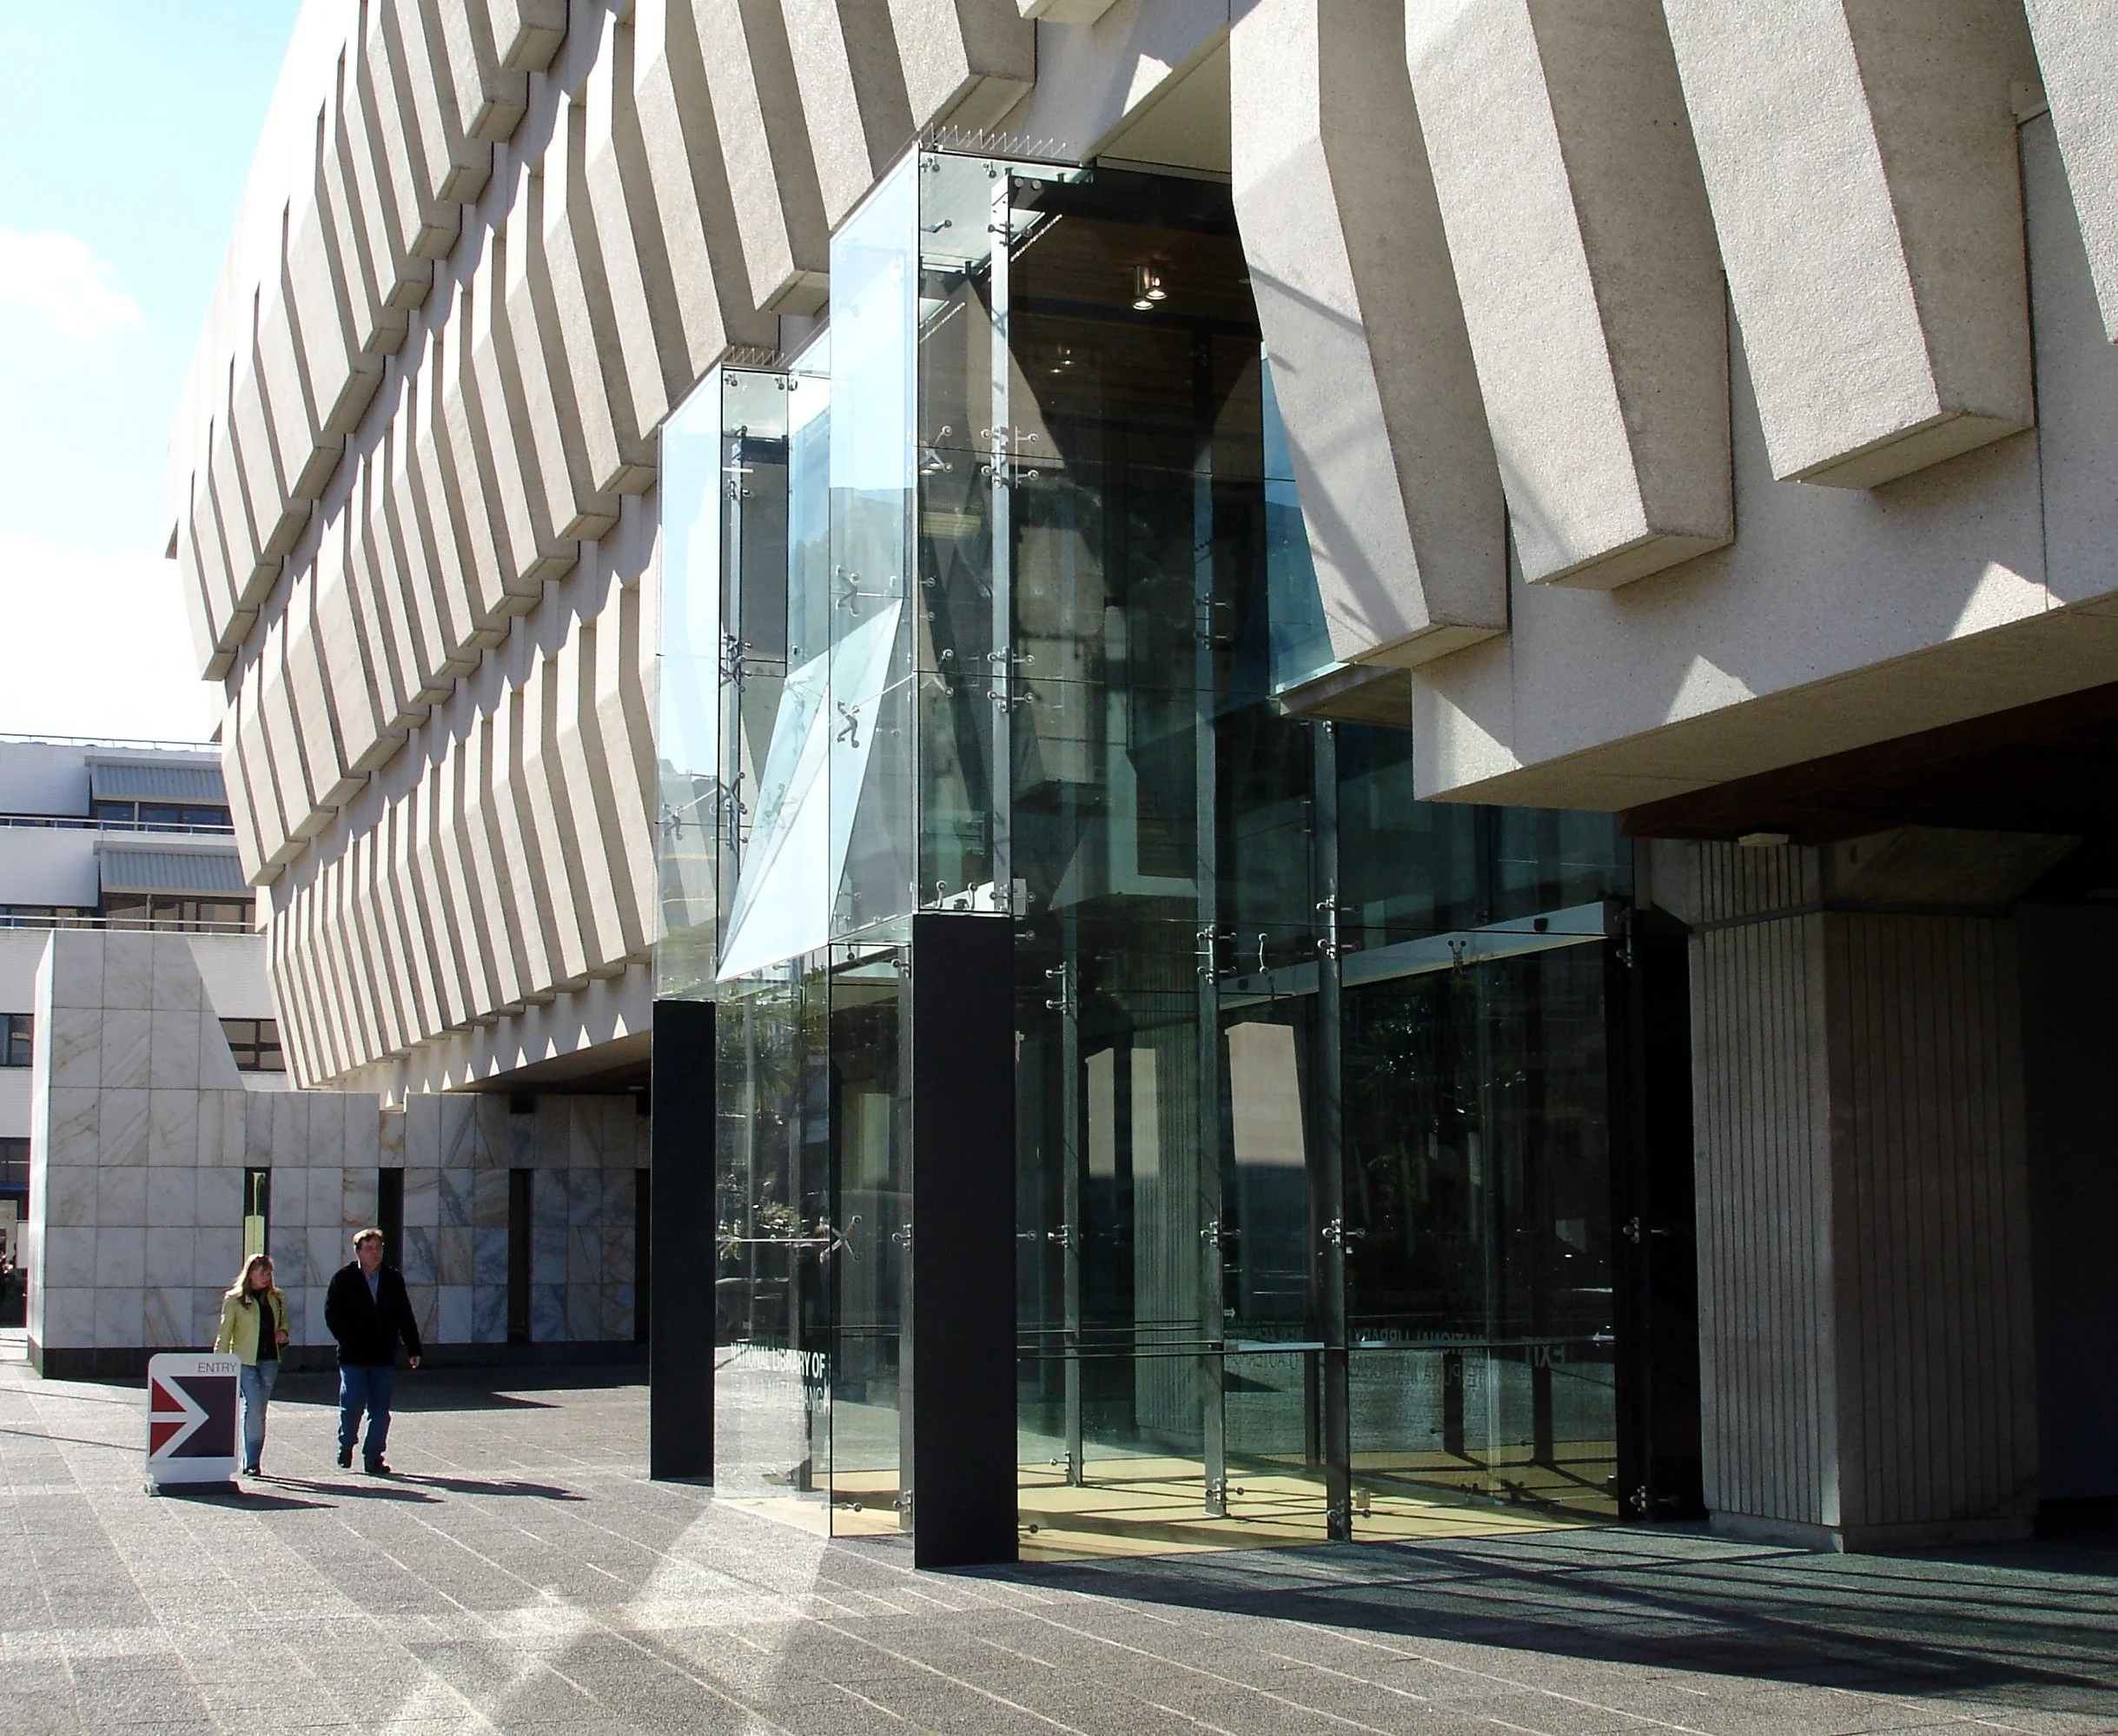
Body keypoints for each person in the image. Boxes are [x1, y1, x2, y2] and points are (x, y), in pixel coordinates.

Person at [323, 1228, 422, 1474]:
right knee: (352, 1403)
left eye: (378, 1248)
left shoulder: (392, 1278)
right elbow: (332, 1315)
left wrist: (413, 1347)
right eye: (369, 1248)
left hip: (383, 1355)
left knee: (380, 1410)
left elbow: (404, 1313)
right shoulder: (343, 1279)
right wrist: (347, 1340)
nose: (375, 1253)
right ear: (358, 1251)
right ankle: (346, 1444)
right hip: (353, 1356)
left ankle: (373, 1456)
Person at [214, 1254, 288, 1476]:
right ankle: (252, 1462)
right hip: (245, 1360)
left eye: (269, 1273)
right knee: (254, 1405)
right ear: (251, 1274)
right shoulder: (235, 1299)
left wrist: (283, 1333)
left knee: (260, 1409)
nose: (266, 1277)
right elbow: (225, 1332)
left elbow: (284, 1322)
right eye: (262, 1273)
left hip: (269, 1359)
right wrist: (219, 1361)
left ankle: (253, 1457)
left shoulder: (276, 1297)